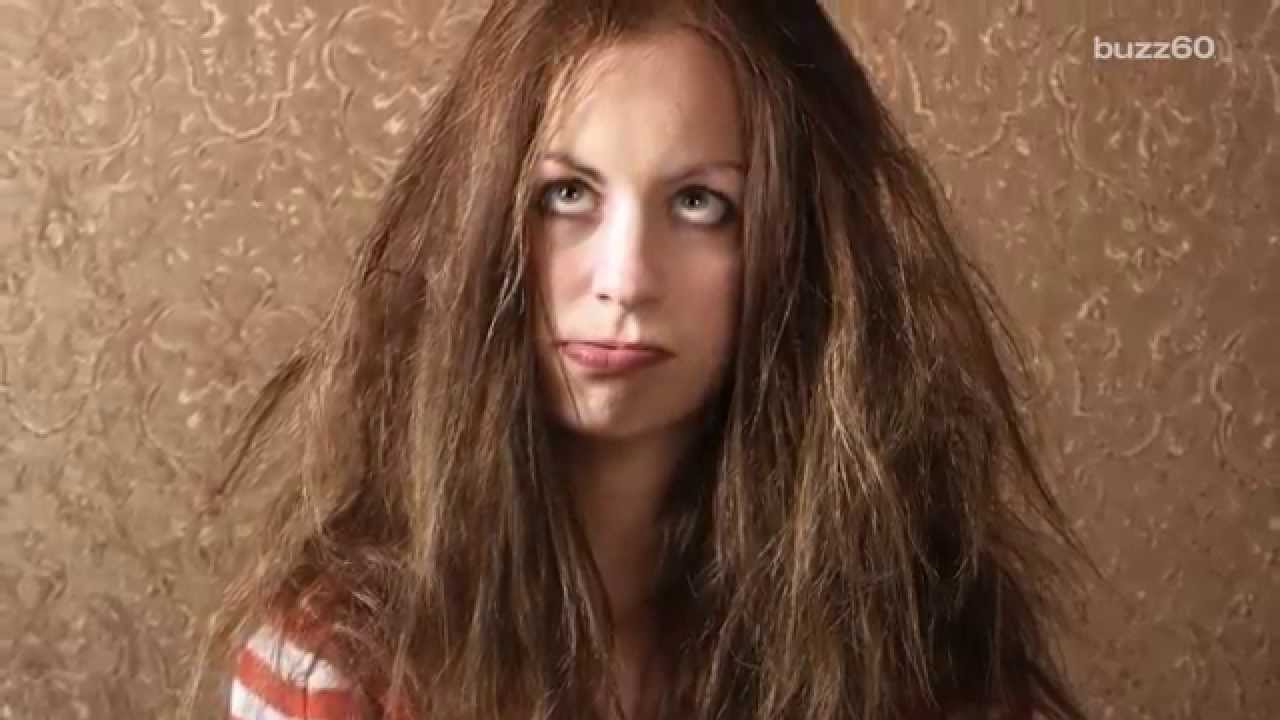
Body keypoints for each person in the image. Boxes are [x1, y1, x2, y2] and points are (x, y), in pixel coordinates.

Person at [184, 1, 1095, 718]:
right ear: (482, 224)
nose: (624, 279)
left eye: (701, 203)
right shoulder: (333, 663)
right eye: (566, 194)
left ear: (806, 252)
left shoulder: (929, 651)